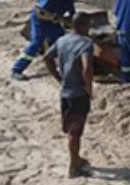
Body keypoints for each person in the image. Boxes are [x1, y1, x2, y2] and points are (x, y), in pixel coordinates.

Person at [43, 12, 95, 178]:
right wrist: (89, 89)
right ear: (84, 26)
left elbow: (47, 57)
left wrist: (58, 77)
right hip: (78, 94)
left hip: (65, 92)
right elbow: (87, 68)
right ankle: (74, 166)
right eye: (89, 25)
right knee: (75, 132)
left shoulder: (62, 40)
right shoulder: (86, 43)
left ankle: (77, 158)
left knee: (71, 129)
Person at [12, 0, 79, 80]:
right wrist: (53, 17)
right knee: (36, 43)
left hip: (54, 22)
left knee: (62, 41)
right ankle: (17, 70)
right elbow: (40, 12)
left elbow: (72, 15)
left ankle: (66, 66)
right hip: (40, 21)